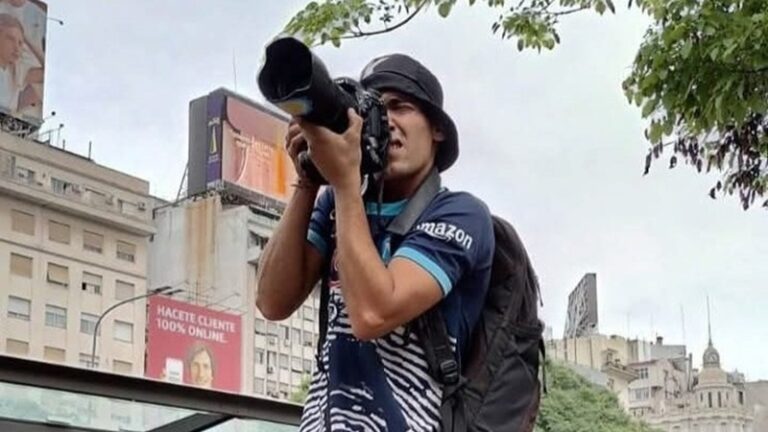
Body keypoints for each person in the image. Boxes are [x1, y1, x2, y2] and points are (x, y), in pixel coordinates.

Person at [256, 53, 494, 431]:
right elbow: (272, 301)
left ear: (438, 129)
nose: (387, 121)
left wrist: (345, 182)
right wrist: (309, 180)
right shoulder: (340, 203)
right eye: (375, 111)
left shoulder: (459, 214)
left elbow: (372, 315)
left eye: (400, 107)